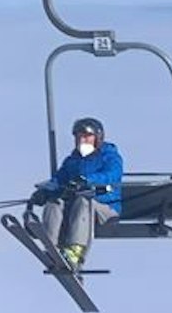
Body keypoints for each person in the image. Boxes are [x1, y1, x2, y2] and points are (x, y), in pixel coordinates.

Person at [29, 116, 124, 271]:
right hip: (76, 206)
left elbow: (111, 175)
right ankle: (51, 247)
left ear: (98, 138)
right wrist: (45, 191)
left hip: (105, 205)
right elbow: (58, 180)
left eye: (87, 137)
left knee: (83, 201)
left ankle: (75, 251)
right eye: (79, 137)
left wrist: (87, 180)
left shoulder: (109, 157)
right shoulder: (72, 161)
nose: (82, 141)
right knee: (55, 202)